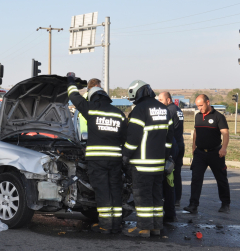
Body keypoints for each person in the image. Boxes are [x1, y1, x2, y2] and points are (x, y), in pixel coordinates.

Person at [67, 73, 128, 234]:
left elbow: (74, 97)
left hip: (97, 160)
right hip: (115, 160)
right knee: (115, 190)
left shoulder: (91, 109)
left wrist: (71, 81)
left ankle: (105, 225)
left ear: (92, 97)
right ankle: (116, 224)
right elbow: (125, 137)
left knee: (102, 192)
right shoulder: (118, 113)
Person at [122, 80, 173, 238]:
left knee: (142, 196)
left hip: (142, 164)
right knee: (156, 196)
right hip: (159, 164)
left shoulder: (140, 110)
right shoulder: (164, 110)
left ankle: (143, 228)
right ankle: (156, 227)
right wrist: (165, 157)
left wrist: (125, 155)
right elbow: (170, 138)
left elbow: (133, 138)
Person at [183, 94, 230, 214]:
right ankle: (193, 205)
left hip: (215, 153)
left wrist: (223, 148)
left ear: (207, 102)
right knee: (196, 179)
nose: (199, 108)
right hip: (200, 154)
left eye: (201, 105)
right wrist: (193, 147)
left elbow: (225, 133)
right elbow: (195, 132)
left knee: (221, 179)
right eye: (197, 106)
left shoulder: (218, 116)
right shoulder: (198, 116)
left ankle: (225, 204)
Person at [158, 92, 185, 222]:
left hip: (172, 145)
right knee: (175, 174)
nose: (159, 102)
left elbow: (168, 130)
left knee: (168, 177)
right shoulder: (178, 109)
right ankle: (176, 200)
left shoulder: (168, 110)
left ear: (168, 99)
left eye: (161, 99)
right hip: (180, 143)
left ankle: (170, 202)